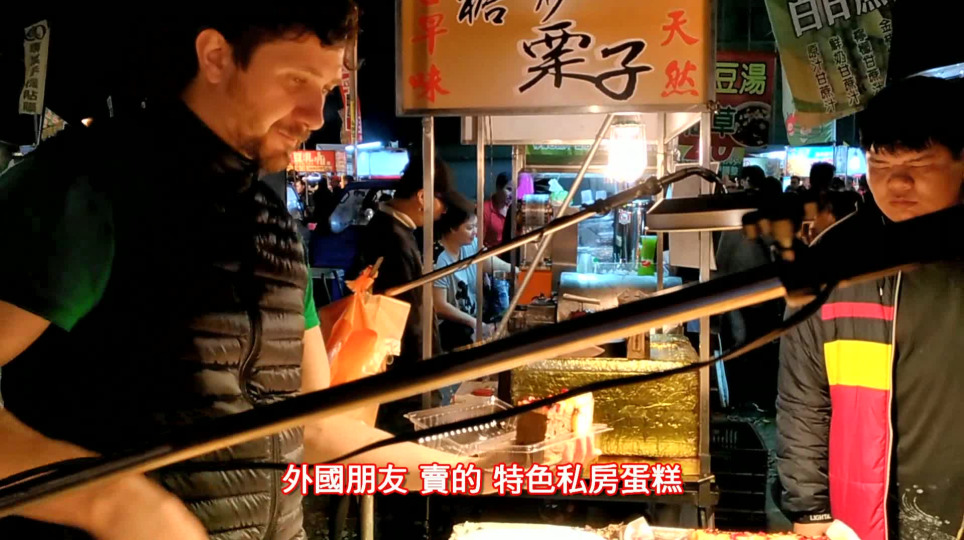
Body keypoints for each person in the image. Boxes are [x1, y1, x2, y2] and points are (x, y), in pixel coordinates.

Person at [0, 8, 478, 540]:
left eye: (325, 88)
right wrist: (109, 499)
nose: (316, 115)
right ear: (215, 57)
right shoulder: (87, 191)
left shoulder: (273, 228)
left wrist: (477, 475)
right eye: (296, 80)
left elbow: (312, 426)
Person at [777, 76, 964, 540]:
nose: (897, 181)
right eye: (880, 161)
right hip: (857, 517)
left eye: (920, 161)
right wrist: (809, 508)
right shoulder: (836, 258)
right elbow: (803, 396)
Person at [349, 156, 469, 431]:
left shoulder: (393, 229)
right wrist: (427, 378)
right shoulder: (393, 237)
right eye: (441, 202)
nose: (443, 211)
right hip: (402, 383)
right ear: (423, 197)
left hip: (398, 377)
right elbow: (410, 318)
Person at [434, 201, 514, 355]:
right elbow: (439, 306)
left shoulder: (471, 245)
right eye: (470, 228)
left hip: (473, 318)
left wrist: (515, 271)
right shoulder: (439, 259)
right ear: (452, 228)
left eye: (476, 226)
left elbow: (488, 261)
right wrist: (474, 323)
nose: (475, 232)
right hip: (451, 328)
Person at [482, 172, 513, 249]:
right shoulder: (485, 210)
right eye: (509, 189)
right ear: (498, 188)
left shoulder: (514, 208)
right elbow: (477, 243)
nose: (512, 194)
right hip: (492, 254)